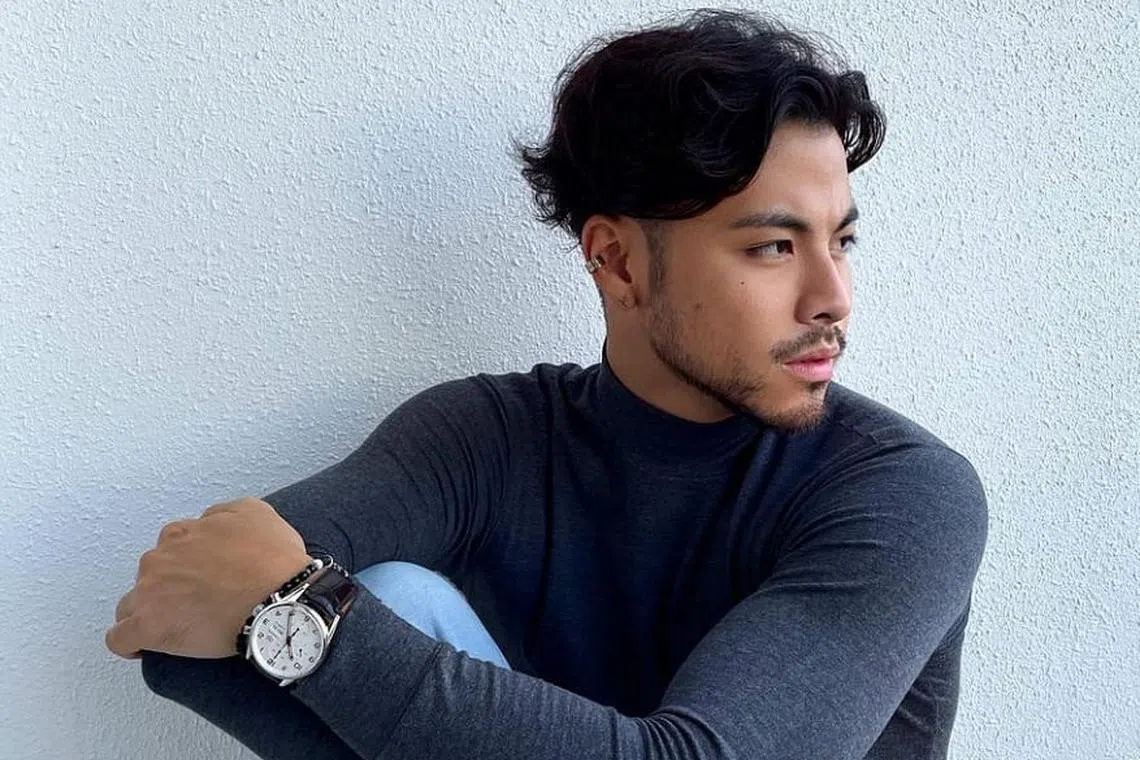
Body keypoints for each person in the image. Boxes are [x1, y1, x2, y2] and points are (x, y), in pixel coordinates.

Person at [106, 8, 989, 760]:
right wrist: (291, 609)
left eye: (842, 240)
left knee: (316, 610)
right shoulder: (481, 439)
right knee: (390, 597)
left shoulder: (903, 493)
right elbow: (178, 620)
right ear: (618, 261)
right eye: (774, 246)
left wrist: (309, 626)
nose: (833, 297)